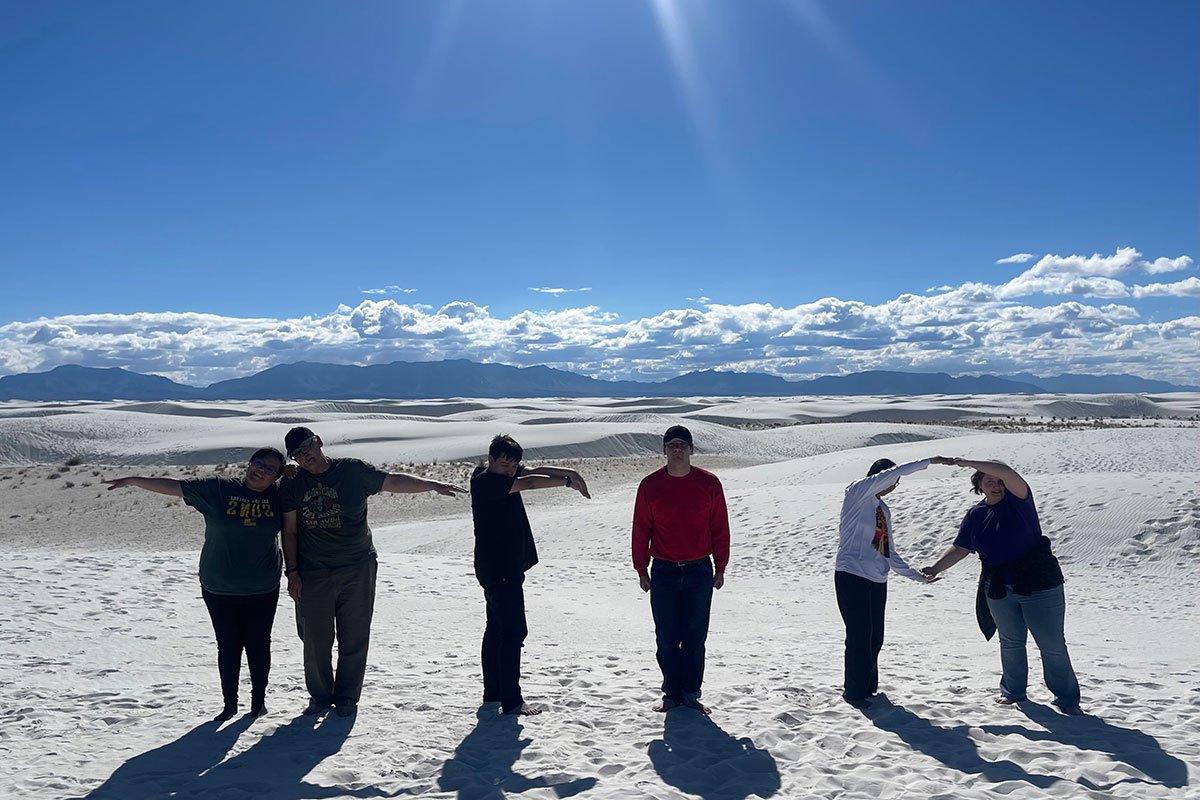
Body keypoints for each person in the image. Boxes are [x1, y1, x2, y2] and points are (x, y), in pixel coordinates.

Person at [280, 426, 465, 717]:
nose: (304, 458)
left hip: (358, 565)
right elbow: (289, 531)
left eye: (306, 449)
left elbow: (392, 481)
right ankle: (319, 697)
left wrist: (431, 484)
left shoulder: (352, 471)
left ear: (318, 442)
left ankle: (347, 698)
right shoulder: (291, 483)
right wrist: (292, 572)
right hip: (314, 570)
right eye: (296, 455)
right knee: (315, 638)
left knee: (355, 635)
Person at [103, 448, 286, 721]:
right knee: (228, 646)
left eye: (270, 468)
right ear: (249, 464)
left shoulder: (280, 495)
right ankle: (229, 705)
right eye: (258, 463)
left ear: (277, 477)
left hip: (262, 587)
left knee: (259, 645)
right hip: (219, 586)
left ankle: (258, 702)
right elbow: (176, 487)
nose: (260, 469)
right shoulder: (219, 489)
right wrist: (135, 480)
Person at [922, 459, 1083, 715]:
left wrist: (962, 461)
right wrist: (935, 568)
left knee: (1051, 643)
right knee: (1010, 642)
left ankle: (1066, 699)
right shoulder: (976, 514)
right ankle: (1013, 691)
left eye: (999, 481)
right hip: (998, 586)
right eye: (989, 481)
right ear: (980, 485)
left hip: (1039, 584)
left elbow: (1008, 472)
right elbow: (961, 548)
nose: (996, 485)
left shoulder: (1019, 502)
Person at [470, 434, 591, 716]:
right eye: (504, 464)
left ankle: (494, 692)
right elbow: (531, 482)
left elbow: (532, 472)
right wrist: (566, 482)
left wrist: (569, 471)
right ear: (490, 460)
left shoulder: (490, 473)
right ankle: (512, 701)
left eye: (513, 465)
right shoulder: (487, 481)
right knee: (513, 630)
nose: (510, 470)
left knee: (497, 627)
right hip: (500, 568)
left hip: (499, 566)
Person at [835, 456, 949, 708]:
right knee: (859, 635)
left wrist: (918, 577)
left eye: (895, 484)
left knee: (876, 637)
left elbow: (886, 550)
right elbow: (892, 473)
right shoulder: (857, 492)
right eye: (891, 481)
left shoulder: (882, 509)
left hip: (877, 578)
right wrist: (931, 461)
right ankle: (854, 692)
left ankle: (868, 688)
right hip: (851, 574)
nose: (891, 487)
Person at [632, 425, 730, 715]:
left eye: (683, 445)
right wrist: (641, 568)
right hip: (663, 570)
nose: (677, 449)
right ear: (663, 449)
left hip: (700, 569)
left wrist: (721, 566)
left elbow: (720, 527)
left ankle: (691, 693)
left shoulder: (709, 483)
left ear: (691, 450)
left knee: (695, 636)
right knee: (666, 636)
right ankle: (671, 693)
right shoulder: (650, 485)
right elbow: (641, 529)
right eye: (672, 444)